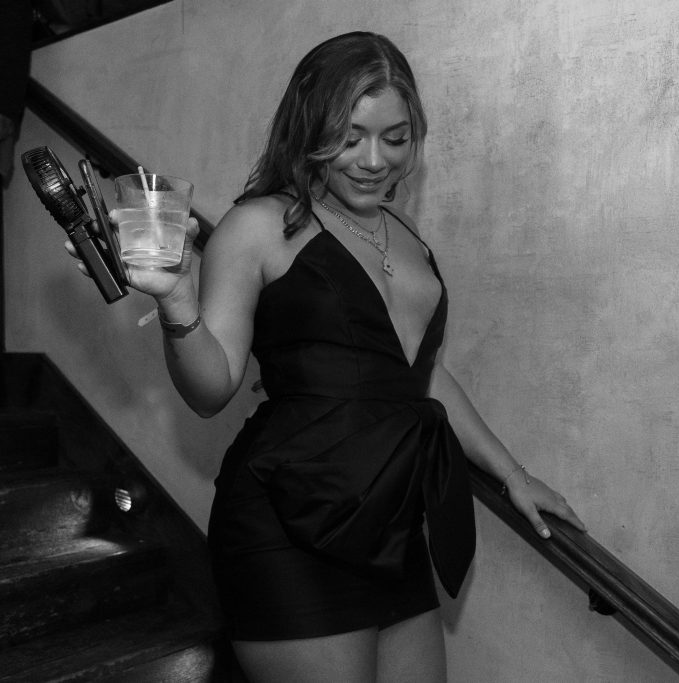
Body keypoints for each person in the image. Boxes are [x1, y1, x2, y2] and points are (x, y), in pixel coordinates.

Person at [67, 31, 585, 682]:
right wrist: (176, 299)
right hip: (286, 524)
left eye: (395, 138)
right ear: (309, 132)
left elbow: (419, 376)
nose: (373, 160)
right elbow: (210, 388)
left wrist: (513, 473)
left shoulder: (408, 238)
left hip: (390, 524)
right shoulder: (259, 225)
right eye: (349, 137)